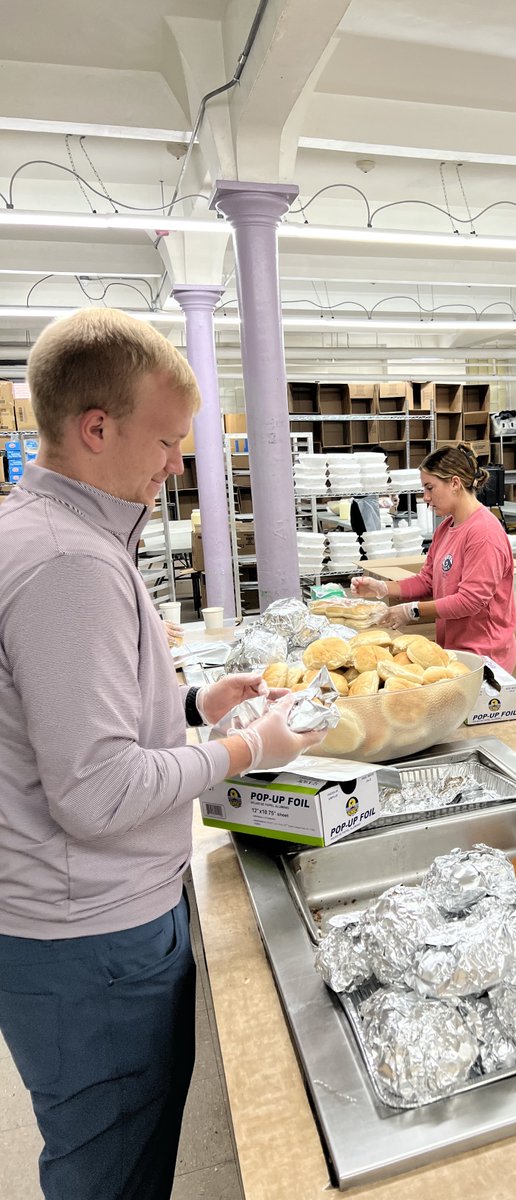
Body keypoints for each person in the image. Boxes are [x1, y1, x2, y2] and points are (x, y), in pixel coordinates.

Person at [0, 308, 326, 1200]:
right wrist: (247, 748)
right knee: (112, 1168)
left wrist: (190, 705)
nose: (178, 464)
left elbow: (53, 718)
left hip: (68, 922)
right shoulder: (69, 561)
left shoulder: (44, 529)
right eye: (167, 440)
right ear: (95, 429)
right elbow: (96, 790)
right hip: (91, 938)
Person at [351, 442, 516, 671]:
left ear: (455, 483)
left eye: (430, 488)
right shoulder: (446, 528)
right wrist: (382, 588)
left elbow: (470, 601)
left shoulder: (484, 533)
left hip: (485, 655)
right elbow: (427, 580)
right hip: (456, 650)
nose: (426, 497)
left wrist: (412, 611)